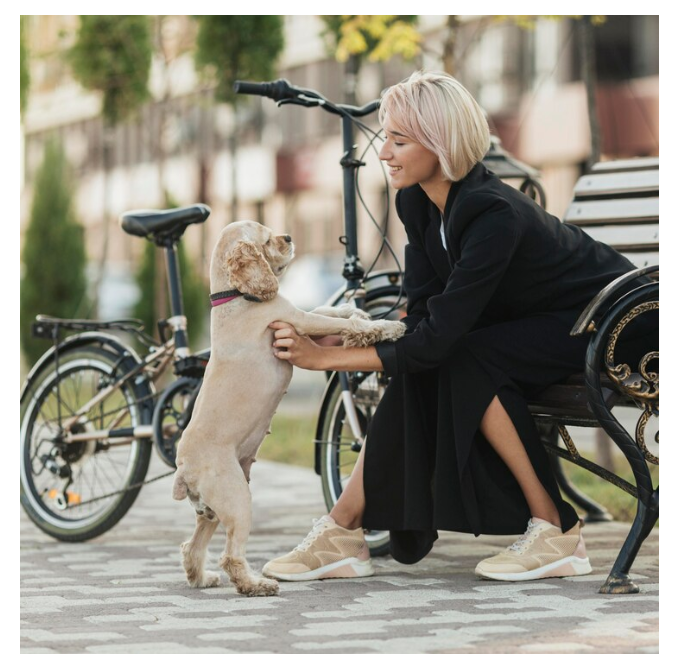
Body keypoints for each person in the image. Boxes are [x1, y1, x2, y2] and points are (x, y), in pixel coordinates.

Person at [261, 70, 653, 584]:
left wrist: (325, 360)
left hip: (623, 324)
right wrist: (353, 335)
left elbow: (441, 340)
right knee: (438, 356)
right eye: (387, 139)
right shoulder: (417, 203)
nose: (385, 153)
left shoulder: (493, 213)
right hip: (554, 326)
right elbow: (424, 315)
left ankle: (557, 531)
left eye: (399, 141)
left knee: (464, 355)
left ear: (440, 144)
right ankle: (343, 530)